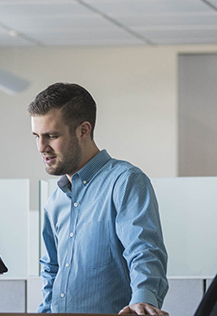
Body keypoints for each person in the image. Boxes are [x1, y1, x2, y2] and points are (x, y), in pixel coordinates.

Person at [30, 83, 169, 315]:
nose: (42, 147)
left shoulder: (125, 181)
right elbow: (51, 269)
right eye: (37, 136)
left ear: (83, 130)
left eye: (52, 136)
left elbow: (144, 250)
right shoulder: (56, 201)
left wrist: (144, 299)